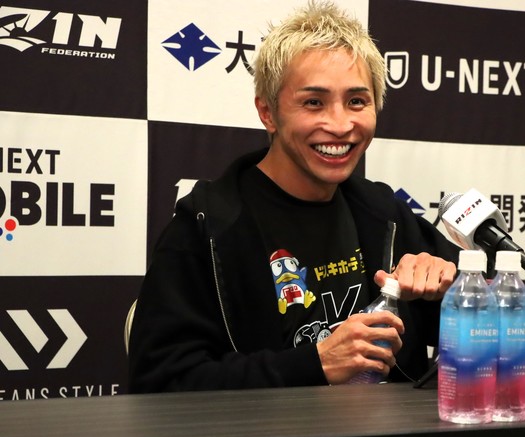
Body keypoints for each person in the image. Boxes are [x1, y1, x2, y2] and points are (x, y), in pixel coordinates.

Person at [128, 0, 459, 393]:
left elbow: (495, 325)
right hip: (269, 434)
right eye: (313, 102)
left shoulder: (383, 213)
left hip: (388, 431)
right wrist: (315, 364)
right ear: (268, 113)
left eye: (356, 101)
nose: (340, 125)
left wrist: (448, 289)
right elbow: (161, 382)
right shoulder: (208, 228)